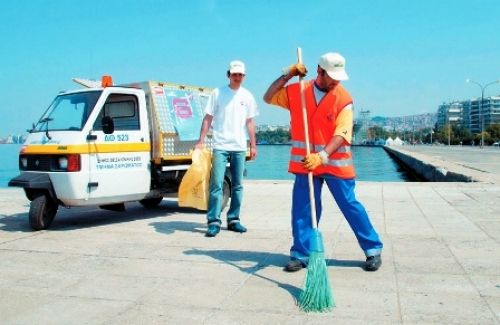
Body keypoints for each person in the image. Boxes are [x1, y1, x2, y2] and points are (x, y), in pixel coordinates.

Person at [263, 52, 383, 271]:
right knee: (303, 209)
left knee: (350, 205)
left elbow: (342, 134)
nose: (336, 80)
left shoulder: (343, 98)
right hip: (306, 163)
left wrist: (322, 156)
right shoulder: (298, 91)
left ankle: (373, 249)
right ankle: (301, 254)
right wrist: (286, 74)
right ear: (319, 70)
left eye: (339, 76)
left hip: (334, 163)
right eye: (332, 75)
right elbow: (268, 96)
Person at [196, 60, 258, 237]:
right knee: (216, 184)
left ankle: (234, 219)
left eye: (240, 75)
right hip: (220, 145)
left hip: (239, 146)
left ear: (244, 76)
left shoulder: (247, 96)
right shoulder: (217, 93)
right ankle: (213, 221)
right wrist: (201, 140)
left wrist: (253, 145)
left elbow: (250, 123)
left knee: (238, 185)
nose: (237, 77)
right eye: (234, 74)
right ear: (228, 75)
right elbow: (208, 118)